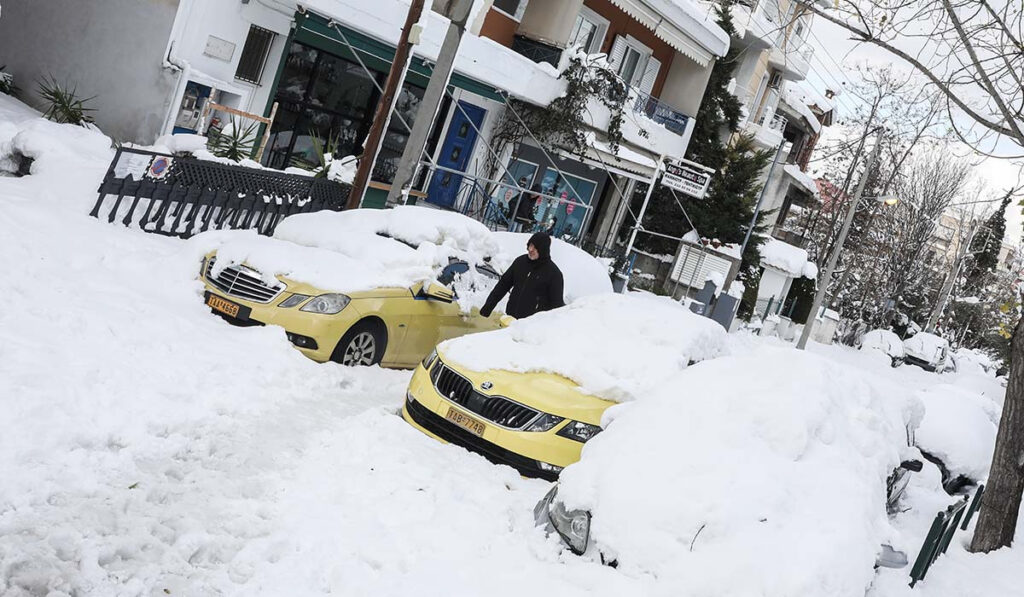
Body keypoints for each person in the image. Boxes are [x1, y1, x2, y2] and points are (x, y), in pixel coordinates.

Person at [480, 232, 565, 319]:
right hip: (510, 317)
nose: (531, 250)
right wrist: (488, 307)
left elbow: (556, 307)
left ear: (543, 250)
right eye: (530, 245)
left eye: (535, 248)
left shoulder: (554, 274)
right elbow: (502, 285)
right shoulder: (520, 262)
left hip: (530, 325)